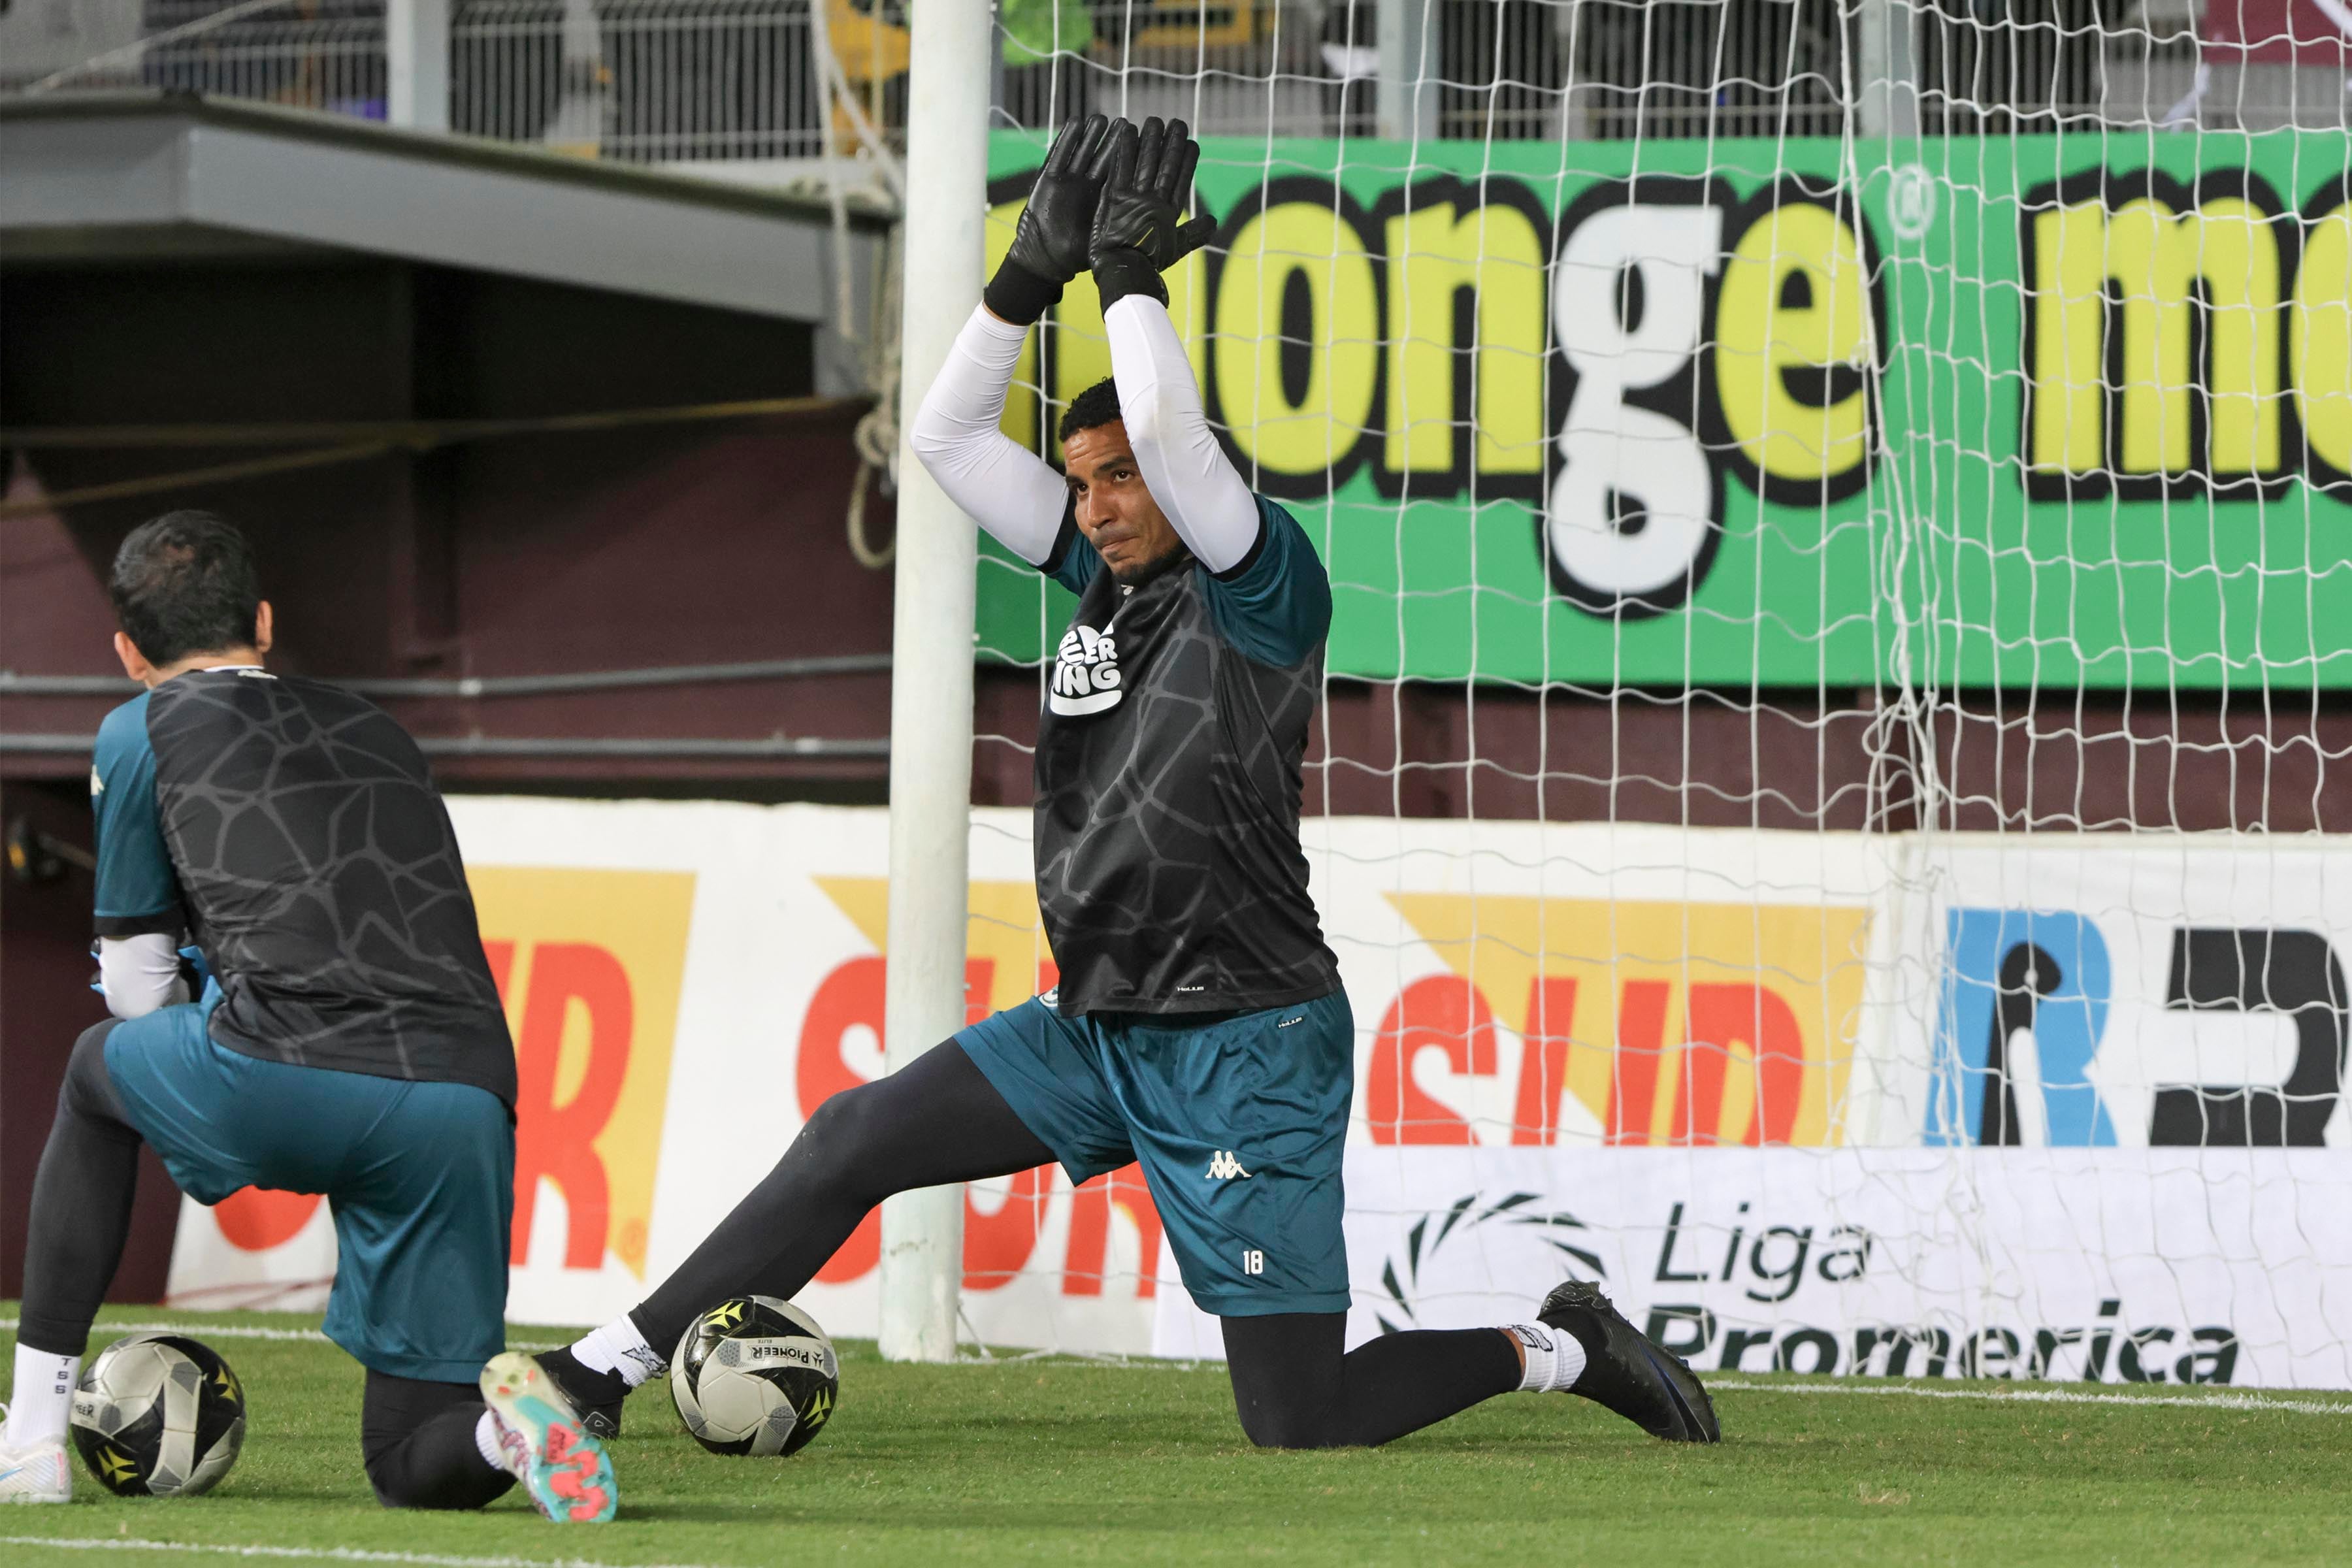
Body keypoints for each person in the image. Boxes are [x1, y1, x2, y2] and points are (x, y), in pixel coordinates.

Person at [527, 116, 1719, 1450]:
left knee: (1300, 1425)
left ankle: (1556, 1344)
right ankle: (599, 1370)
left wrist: (1129, 277)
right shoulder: (1100, 577)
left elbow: (1166, 419)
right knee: (850, 1140)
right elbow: (945, 437)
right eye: (1082, 482)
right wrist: (1023, 279)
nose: (1092, 503)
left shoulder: (1263, 585)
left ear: (1185, 481)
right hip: (1097, 1025)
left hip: (1245, 1045)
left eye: (1120, 481)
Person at [0, 512, 617, 1518]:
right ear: (266, 623)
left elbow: (134, 989)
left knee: (92, 1068)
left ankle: (30, 1439)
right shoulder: (382, 726)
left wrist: (203, 1024)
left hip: (284, 1070)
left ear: (125, 651)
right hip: (462, 1100)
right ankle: (505, 1436)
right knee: (410, 1459)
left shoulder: (138, 726)